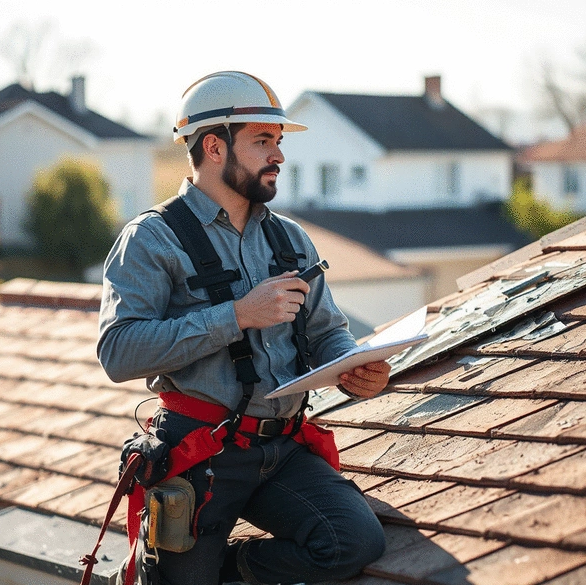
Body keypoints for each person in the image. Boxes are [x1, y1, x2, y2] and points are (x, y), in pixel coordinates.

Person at [98, 71, 389, 585]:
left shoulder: (292, 239)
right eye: (262, 141)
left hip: (281, 448)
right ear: (214, 146)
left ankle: (224, 573)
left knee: (354, 541)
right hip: (200, 450)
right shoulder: (149, 240)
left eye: (278, 142)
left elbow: (326, 332)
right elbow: (118, 352)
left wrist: (352, 367)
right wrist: (235, 316)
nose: (278, 156)